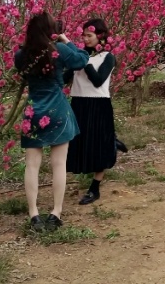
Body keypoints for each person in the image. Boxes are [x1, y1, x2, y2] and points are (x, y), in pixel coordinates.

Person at [15, 12, 89, 232]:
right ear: (51, 30)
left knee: (31, 165)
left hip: (33, 112)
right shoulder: (59, 50)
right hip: (57, 110)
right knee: (59, 165)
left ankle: (34, 214)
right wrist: (67, 40)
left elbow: (24, 73)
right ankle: (56, 212)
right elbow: (82, 60)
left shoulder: (21, 54)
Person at [65, 18, 118, 206]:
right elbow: (65, 79)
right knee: (77, 144)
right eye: (84, 36)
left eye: (89, 35)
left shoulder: (107, 57)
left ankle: (94, 188)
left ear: (100, 36)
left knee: (99, 148)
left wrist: (84, 60)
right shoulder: (80, 55)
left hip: (99, 105)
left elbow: (97, 80)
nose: (85, 39)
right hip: (78, 103)